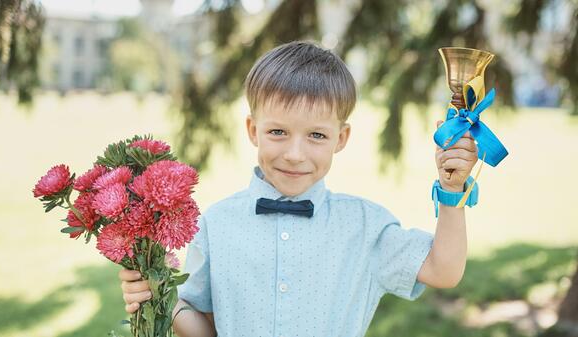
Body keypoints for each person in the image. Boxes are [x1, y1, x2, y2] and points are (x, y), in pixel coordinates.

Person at [118, 40, 478, 337]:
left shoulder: (365, 226)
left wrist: (452, 190)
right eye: (278, 132)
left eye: (316, 136)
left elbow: (443, 270)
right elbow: (205, 328)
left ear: (342, 138)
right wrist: (163, 297)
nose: (294, 154)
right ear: (252, 129)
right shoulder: (217, 223)